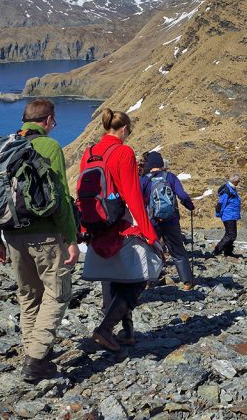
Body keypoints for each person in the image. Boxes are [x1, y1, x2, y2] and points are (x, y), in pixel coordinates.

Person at [0, 99, 78, 383]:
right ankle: (36, 360)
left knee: (29, 296)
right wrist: (71, 238)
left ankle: (34, 354)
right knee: (58, 292)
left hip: (11, 235)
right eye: (55, 121)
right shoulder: (49, 147)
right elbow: (60, 196)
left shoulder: (4, 147)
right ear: (48, 120)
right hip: (45, 235)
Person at [79, 108, 161, 352]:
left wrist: (84, 226)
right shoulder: (123, 152)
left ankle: (125, 333)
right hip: (120, 223)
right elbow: (132, 194)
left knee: (112, 276)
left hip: (96, 224)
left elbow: (82, 191)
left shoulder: (89, 153)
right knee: (137, 278)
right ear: (124, 129)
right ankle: (106, 329)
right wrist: (148, 231)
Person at [140, 151, 196, 288]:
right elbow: (182, 195)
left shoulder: (144, 179)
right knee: (177, 250)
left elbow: (138, 200)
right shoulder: (170, 177)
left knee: (152, 250)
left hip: (152, 221)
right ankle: (187, 281)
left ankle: (150, 281)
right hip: (171, 220)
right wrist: (190, 206)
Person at [211, 174, 242, 257]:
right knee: (230, 235)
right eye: (238, 181)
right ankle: (217, 250)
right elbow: (221, 202)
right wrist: (219, 213)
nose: (239, 182)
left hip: (231, 215)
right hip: (228, 215)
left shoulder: (231, 188)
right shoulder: (228, 190)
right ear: (235, 181)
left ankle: (228, 252)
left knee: (231, 235)